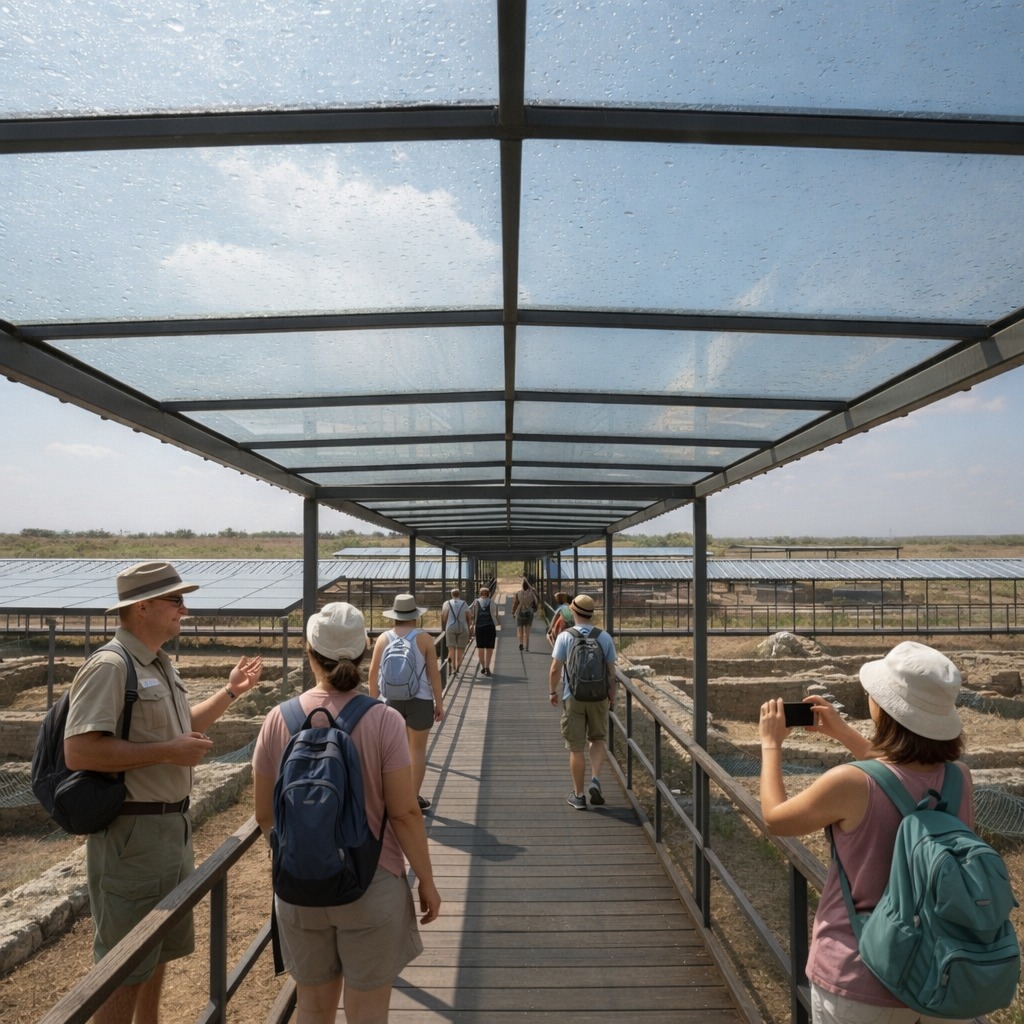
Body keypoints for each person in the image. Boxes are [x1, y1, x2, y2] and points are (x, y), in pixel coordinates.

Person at [64, 560, 264, 1024]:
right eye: (175, 600)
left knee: (154, 952)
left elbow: (178, 728)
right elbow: (79, 751)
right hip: (134, 836)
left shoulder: (156, 663)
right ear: (142, 607)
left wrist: (230, 693)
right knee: (124, 968)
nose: (184, 610)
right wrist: (167, 752)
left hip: (169, 828)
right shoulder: (111, 666)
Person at [758, 641, 974, 1024]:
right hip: (938, 975)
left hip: (860, 978)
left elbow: (776, 819)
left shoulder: (851, 782)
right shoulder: (959, 778)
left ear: (885, 709)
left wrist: (770, 745)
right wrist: (845, 735)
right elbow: (901, 775)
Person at [253, 602, 440, 1024]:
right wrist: (426, 880)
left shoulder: (278, 719)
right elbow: (405, 813)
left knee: (313, 1008)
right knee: (368, 1013)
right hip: (371, 882)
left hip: (300, 888)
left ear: (309, 654)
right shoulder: (384, 720)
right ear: (362, 653)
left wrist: (307, 853)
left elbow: (265, 815)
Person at [368, 594, 444, 812]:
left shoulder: (383, 638)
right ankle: (412, 799)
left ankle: (391, 797)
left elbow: (372, 674)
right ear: (415, 616)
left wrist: (373, 704)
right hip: (420, 700)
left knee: (392, 752)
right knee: (417, 751)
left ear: (394, 615)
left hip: (390, 701)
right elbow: (434, 675)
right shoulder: (425, 639)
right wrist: (439, 704)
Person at [548, 594, 617, 810]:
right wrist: (611, 697)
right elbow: (611, 674)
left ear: (573, 612)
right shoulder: (604, 637)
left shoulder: (565, 636)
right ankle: (595, 780)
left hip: (573, 696)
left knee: (576, 747)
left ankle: (578, 795)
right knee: (597, 739)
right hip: (599, 696)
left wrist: (552, 691)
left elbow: (555, 669)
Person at [440, 587, 470, 676]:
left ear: (451, 595)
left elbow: (444, 615)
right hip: (463, 627)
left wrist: (444, 627)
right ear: (459, 594)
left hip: (450, 627)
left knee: (451, 648)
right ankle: (457, 667)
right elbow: (468, 616)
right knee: (460, 649)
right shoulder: (464, 603)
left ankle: (452, 667)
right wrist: (469, 627)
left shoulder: (447, 603)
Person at [468, 586, 497, 676]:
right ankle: (487, 666)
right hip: (490, 626)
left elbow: (473, 615)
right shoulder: (492, 602)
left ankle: (483, 666)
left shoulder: (476, 603)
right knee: (489, 648)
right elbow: (494, 613)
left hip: (479, 627)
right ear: (489, 594)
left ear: (480, 594)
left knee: (480, 648)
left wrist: (472, 625)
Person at [511, 578, 538, 651]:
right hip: (529, 613)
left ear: (522, 585)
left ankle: (521, 643)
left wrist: (513, 611)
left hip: (520, 612)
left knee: (520, 630)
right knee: (527, 631)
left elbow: (516, 603)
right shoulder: (532, 592)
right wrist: (535, 610)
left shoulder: (519, 593)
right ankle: (527, 647)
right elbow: (536, 602)